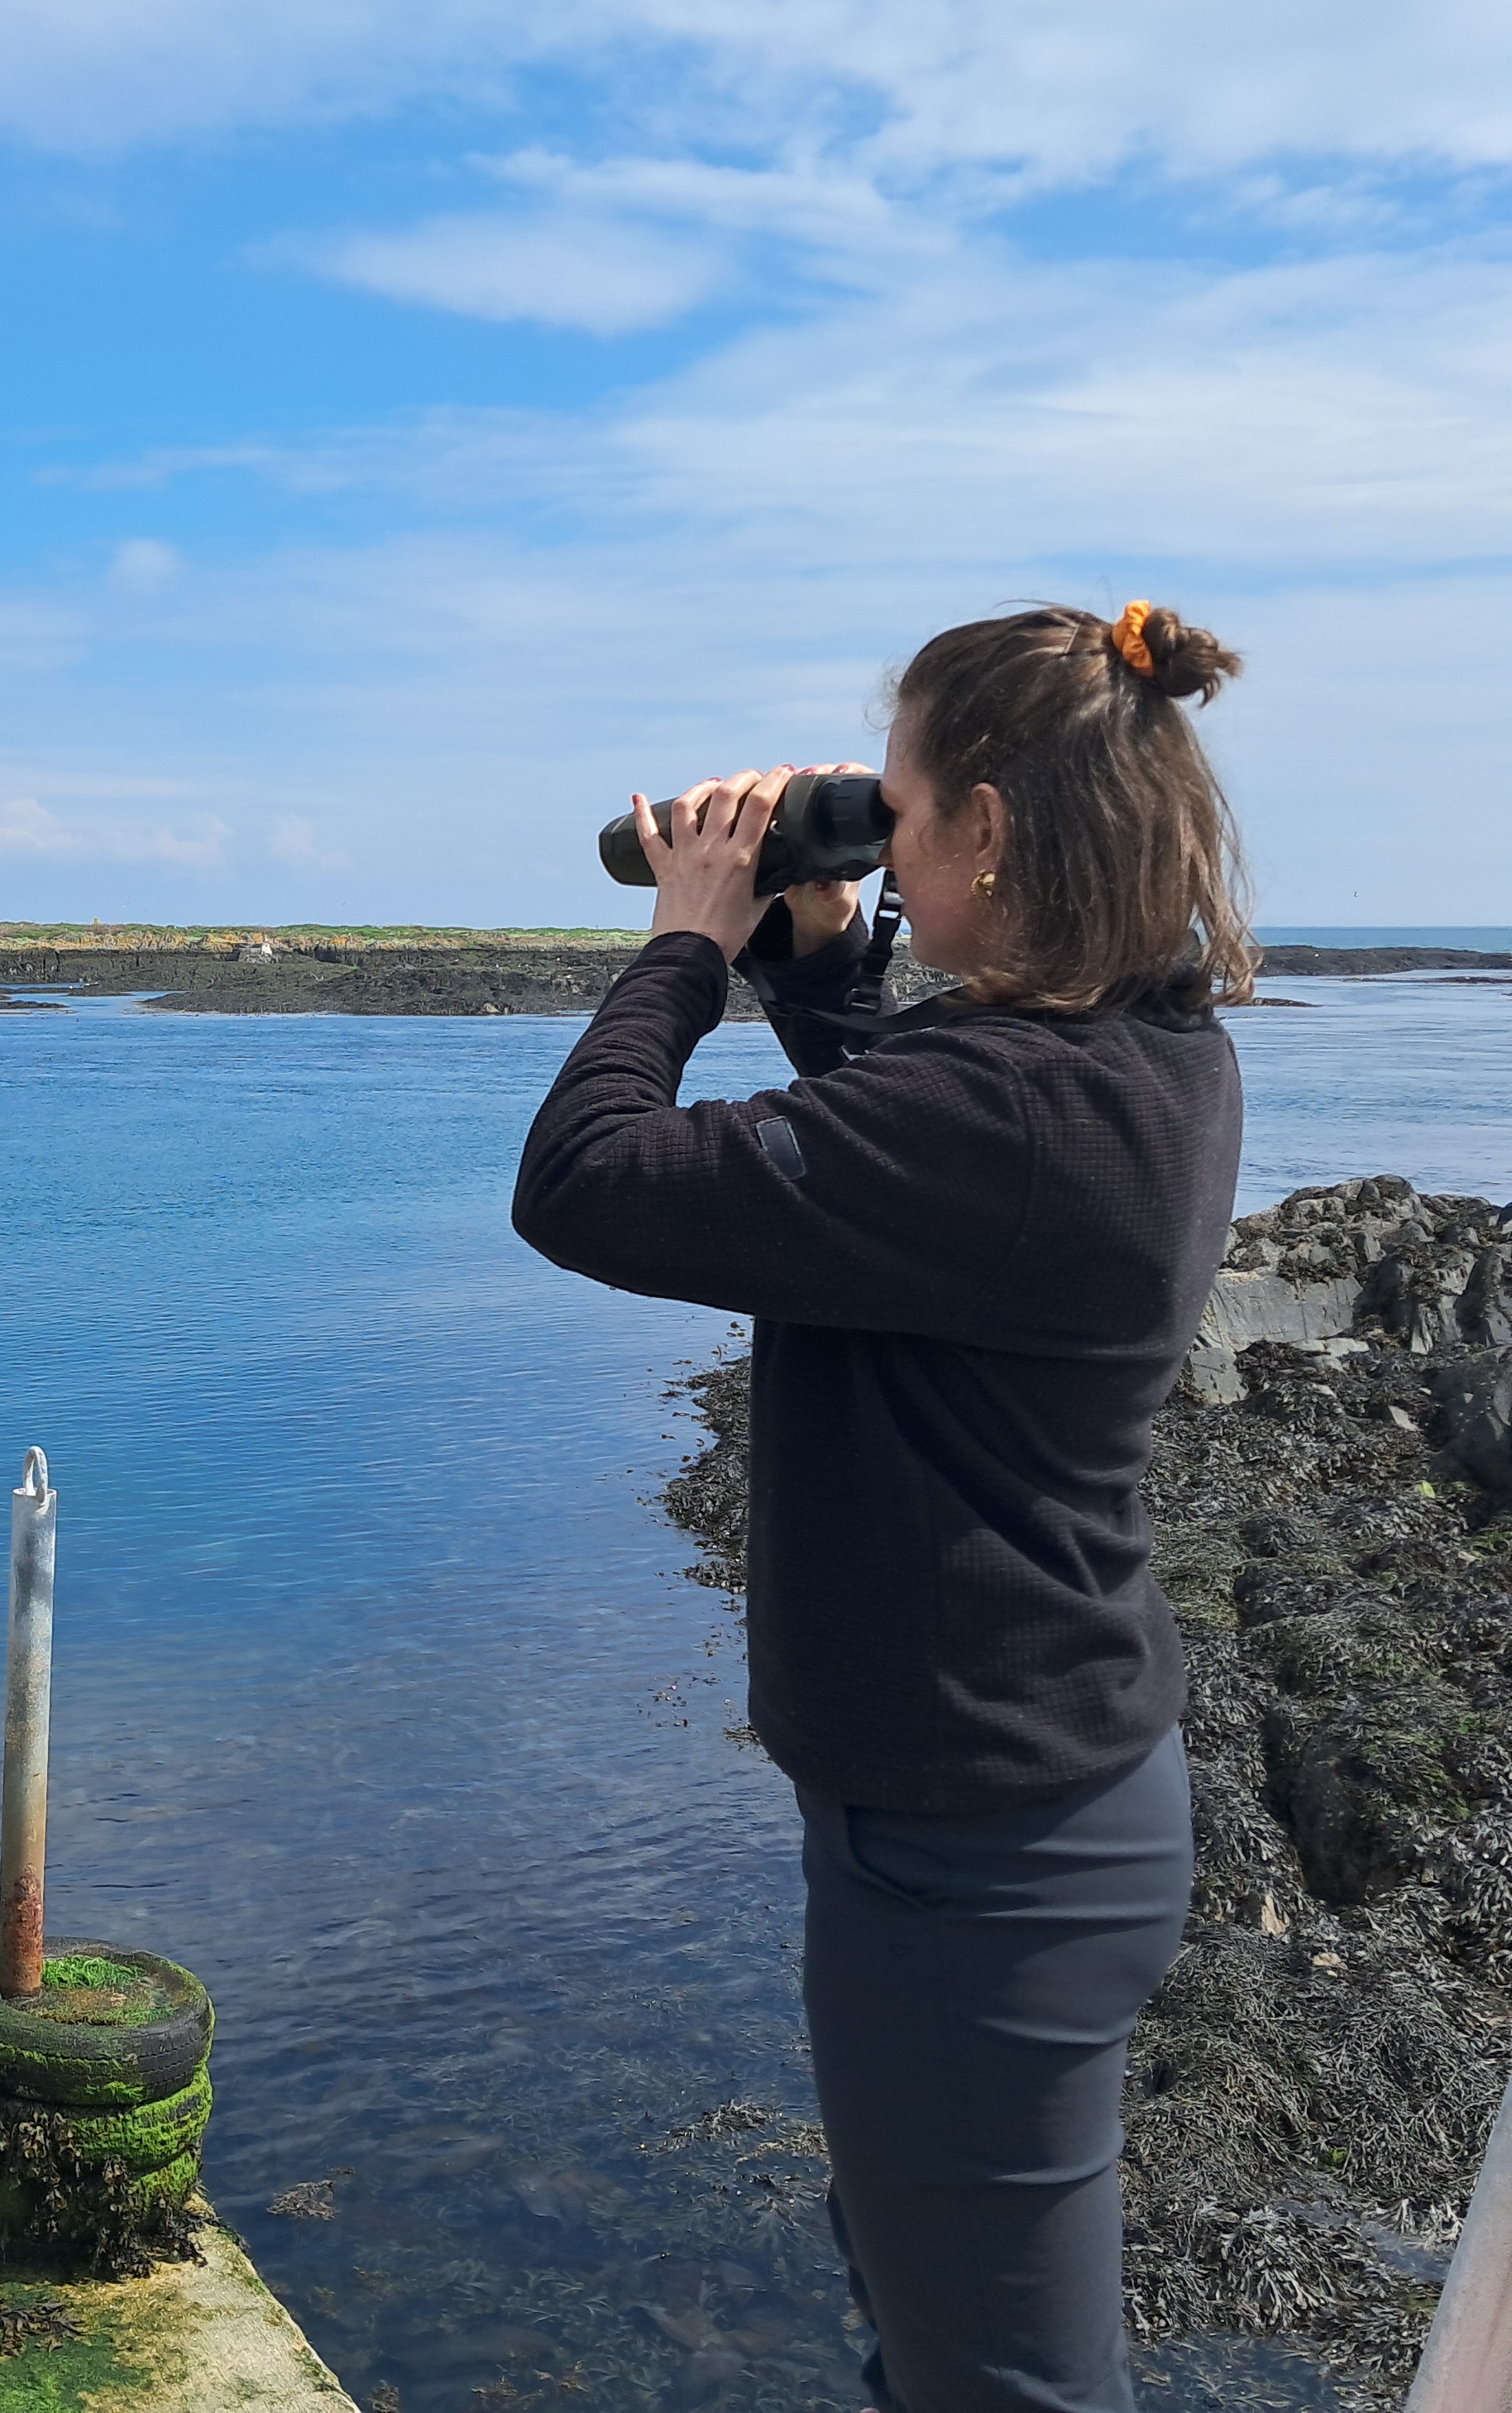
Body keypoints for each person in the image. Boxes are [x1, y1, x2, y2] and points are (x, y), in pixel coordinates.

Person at [511, 603, 1251, 2413]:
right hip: (1031, 1796)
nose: (887, 844)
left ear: (988, 831)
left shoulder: (1008, 1103)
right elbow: (923, 1180)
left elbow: (586, 1181)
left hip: (978, 1840)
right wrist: (829, 968)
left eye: (901, 813)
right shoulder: (1141, 1054)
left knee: (998, 2378)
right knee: (939, 2319)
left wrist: (689, 946)